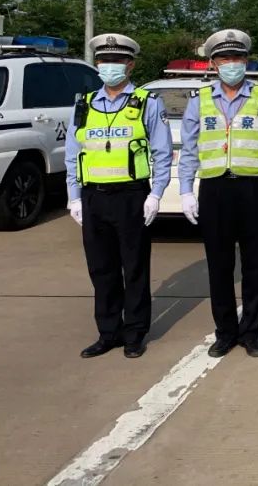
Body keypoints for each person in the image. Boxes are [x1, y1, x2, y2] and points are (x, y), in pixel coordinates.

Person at [179, 29, 258, 359]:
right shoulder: (200, 101)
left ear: (246, 61)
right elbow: (190, 149)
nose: (232, 64)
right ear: (213, 63)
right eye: (225, 58)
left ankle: (252, 331)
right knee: (219, 266)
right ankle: (225, 332)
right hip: (215, 189)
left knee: (254, 264)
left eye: (237, 58)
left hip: (253, 188)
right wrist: (185, 190)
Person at [66, 34, 172, 359]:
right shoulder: (84, 105)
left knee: (134, 266)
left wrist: (156, 194)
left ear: (130, 65)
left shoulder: (147, 103)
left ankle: (134, 333)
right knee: (101, 268)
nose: (109, 67)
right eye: (103, 61)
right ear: (97, 65)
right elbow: (73, 154)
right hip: (93, 197)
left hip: (131, 196)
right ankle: (107, 332)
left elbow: (162, 152)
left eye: (117, 61)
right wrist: (74, 197)